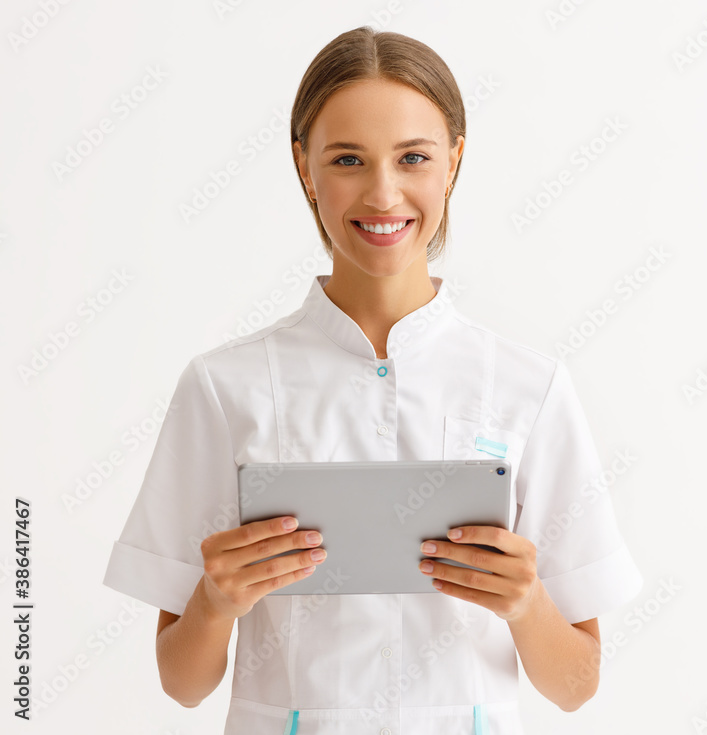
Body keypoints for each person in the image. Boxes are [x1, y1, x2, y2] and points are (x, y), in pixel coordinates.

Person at [103, 25, 643, 735]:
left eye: (413, 157)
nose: (383, 193)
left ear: (453, 162)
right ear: (304, 168)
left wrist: (526, 603)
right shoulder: (224, 386)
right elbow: (182, 681)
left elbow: (576, 685)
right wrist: (215, 600)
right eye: (348, 159)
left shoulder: (529, 388)